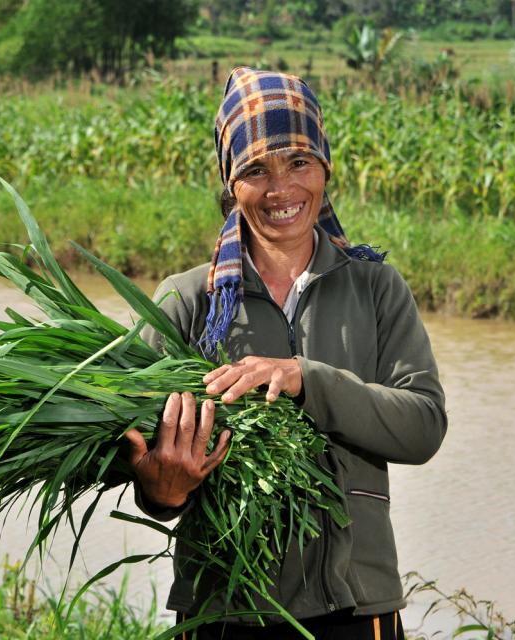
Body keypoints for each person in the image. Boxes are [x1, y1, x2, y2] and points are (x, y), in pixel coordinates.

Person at [124, 67, 447, 640]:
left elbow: (423, 427)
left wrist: (306, 379)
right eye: (255, 170)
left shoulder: (374, 287)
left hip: (358, 609)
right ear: (230, 184)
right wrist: (161, 488)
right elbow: (134, 454)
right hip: (224, 611)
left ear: (325, 165)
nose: (281, 190)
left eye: (298, 162)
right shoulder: (187, 301)